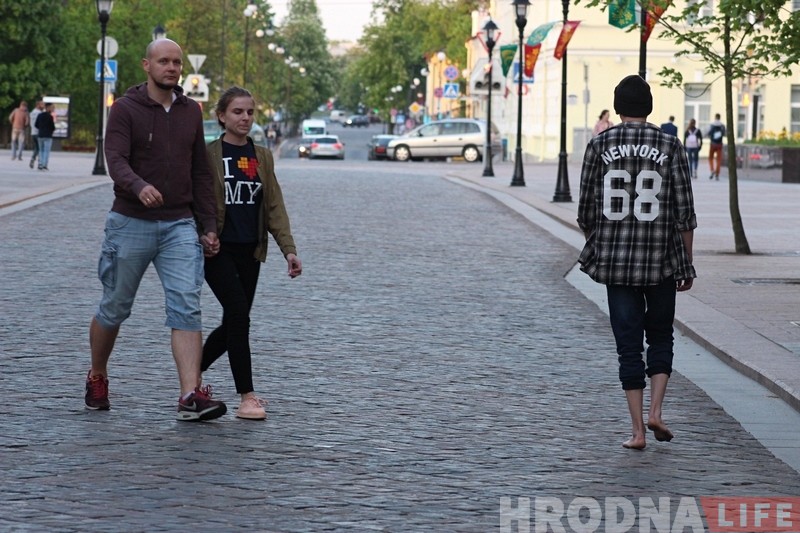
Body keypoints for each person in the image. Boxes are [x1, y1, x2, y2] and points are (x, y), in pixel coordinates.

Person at [85, 38, 227, 422]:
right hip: (130, 222)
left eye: (177, 62)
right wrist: (138, 185)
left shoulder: (191, 112)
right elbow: (114, 158)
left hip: (179, 223)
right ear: (146, 65)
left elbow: (201, 170)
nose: (172, 68)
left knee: (187, 304)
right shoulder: (126, 109)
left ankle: (189, 395)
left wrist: (208, 224)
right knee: (115, 306)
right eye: (164, 61)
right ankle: (98, 374)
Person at [577, 74, 697, 450]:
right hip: (661, 260)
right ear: (649, 107)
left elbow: (585, 211)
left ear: (617, 107)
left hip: (617, 265)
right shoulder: (670, 144)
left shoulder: (599, 145)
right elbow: (684, 212)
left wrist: (601, 243)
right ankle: (657, 411)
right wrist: (686, 262)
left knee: (628, 346)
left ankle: (638, 431)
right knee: (660, 335)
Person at [202, 86, 302, 420]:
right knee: (239, 315)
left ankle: (191, 375)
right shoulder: (208, 154)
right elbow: (195, 201)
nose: (245, 118)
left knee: (234, 319)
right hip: (217, 251)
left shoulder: (261, 156)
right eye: (237, 112)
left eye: (250, 112)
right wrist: (204, 233)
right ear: (221, 116)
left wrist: (288, 249)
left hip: (251, 250)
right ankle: (247, 396)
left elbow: (273, 205)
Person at [34, 103, 55, 171]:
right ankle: (44, 165)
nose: (53, 109)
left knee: (41, 150)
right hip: (48, 136)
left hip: (40, 135)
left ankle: (40, 163)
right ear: (48, 108)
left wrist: (41, 128)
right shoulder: (50, 117)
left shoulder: (39, 115)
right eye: (52, 107)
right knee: (46, 151)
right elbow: (52, 127)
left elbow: (36, 125)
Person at [708, 113, 726, 180]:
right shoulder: (722, 126)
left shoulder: (712, 125)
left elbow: (709, 133)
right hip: (719, 144)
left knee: (710, 158)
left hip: (712, 144)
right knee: (718, 160)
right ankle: (717, 174)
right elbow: (724, 134)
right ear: (720, 117)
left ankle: (712, 170)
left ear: (715, 117)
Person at [29, 99, 44, 169]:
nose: (43, 106)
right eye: (42, 104)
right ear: (38, 105)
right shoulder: (40, 113)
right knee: (41, 148)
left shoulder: (32, 112)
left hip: (33, 133)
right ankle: (40, 163)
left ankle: (32, 159)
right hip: (39, 133)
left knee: (37, 148)